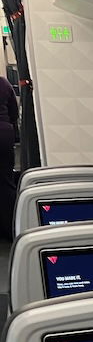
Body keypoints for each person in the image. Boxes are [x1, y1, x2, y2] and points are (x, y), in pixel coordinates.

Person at [0, 74, 16, 240]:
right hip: (4, 135)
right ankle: (11, 229)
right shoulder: (3, 83)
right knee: (6, 182)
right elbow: (14, 113)